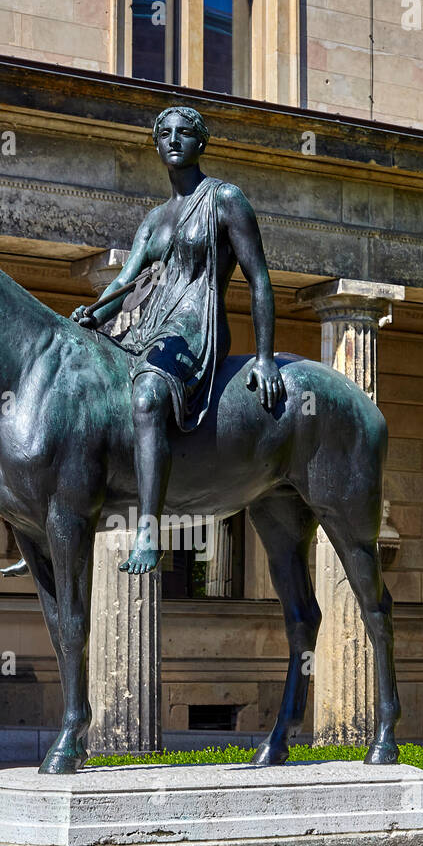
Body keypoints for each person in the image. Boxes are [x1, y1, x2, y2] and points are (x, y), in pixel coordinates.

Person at [71, 104, 285, 575]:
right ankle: (65, 513)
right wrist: (89, 317)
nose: (173, 140)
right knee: (88, 388)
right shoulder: (153, 219)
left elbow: (260, 280)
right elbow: (122, 283)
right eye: (164, 133)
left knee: (147, 394)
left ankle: (148, 533)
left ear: (201, 143)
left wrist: (267, 357)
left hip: (196, 328)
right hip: (149, 327)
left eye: (185, 133)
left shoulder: (225, 199)